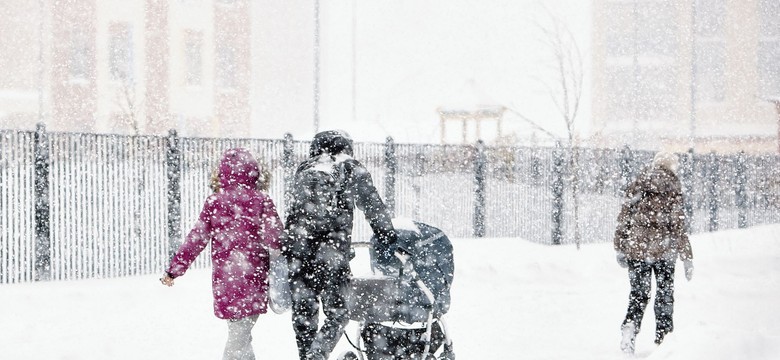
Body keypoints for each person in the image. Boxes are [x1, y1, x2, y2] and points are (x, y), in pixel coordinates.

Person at [282, 130, 401, 360]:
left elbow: (294, 213)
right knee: (340, 312)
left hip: (298, 253)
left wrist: (292, 247)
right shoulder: (351, 168)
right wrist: (387, 234)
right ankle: (317, 354)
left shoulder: (305, 169)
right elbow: (373, 205)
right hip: (332, 254)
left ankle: (307, 355)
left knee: (304, 316)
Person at [160, 148, 284, 360]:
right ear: (253, 171)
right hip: (254, 277)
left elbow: (196, 238)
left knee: (240, 335)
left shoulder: (215, 202)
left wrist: (175, 269)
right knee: (240, 336)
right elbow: (276, 239)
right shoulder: (261, 201)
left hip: (227, 281)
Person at [613, 151, 694, 354]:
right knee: (664, 295)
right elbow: (678, 225)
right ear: (672, 166)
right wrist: (687, 257)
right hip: (663, 251)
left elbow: (624, 216)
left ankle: (629, 330)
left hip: (637, 249)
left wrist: (620, 246)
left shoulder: (639, 182)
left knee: (638, 294)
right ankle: (664, 341)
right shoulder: (673, 187)